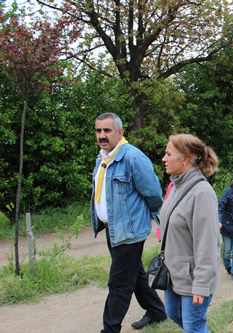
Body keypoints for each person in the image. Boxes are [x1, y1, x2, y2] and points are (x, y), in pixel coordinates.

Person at [91, 113, 167, 333]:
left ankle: (110, 329)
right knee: (134, 276)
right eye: (99, 131)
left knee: (119, 283)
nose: (102, 135)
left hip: (129, 232)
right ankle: (156, 311)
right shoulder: (103, 157)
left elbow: (153, 193)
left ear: (120, 132)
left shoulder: (133, 157)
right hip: (112, 230)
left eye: (107, 130)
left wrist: (160, 221)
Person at [160, 133, 220, 332]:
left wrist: (201, 284)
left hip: (193, 278)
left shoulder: (201, 192)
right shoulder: (176, 186)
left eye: (168, 154)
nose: (164, 158)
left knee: (193, 327)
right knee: (175, 315)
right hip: (174, 274)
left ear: (184, 158)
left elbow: (208, 243)